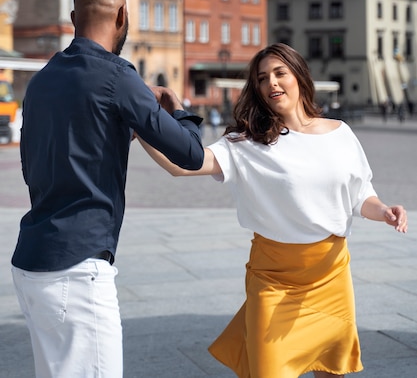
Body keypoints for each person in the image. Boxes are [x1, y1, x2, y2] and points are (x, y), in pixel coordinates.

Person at [139, 43, 407, 378]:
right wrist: (141, 122)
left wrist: (383, 211)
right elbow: (182, 166)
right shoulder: (247, 142)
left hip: (331, 277)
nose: (272, 83)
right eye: (263, 78)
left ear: (299, 77)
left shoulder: (341, 133)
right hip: (273, 281)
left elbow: (360, 194)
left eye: (280, 73)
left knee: (331, 371)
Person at [11, 0, 204, 378]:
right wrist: (177, 106)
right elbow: (190, 153)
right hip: (78, 270)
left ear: (72, 18)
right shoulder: (118, 76)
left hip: (31, 264)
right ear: (122, 17)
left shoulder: (41, 80)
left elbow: (32, 168)